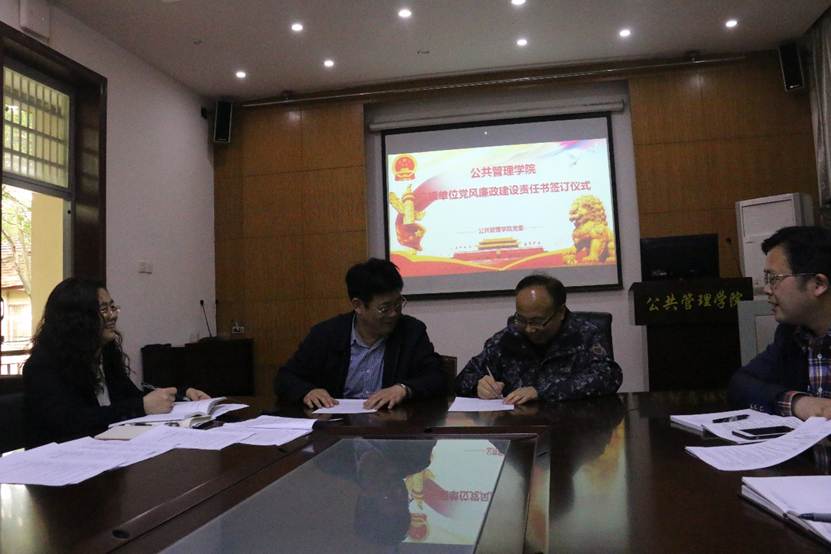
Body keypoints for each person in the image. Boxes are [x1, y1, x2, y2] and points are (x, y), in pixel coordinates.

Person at [24, 277, 209, 446]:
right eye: (104, 309)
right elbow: (71, 421)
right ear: (76, 319)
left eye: (113, 307)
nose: (113, 315)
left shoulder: (104, 354)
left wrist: (181, 395)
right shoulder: (42, 366)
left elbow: (131, 397)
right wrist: (140, 406)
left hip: (107, 450)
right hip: (64, 460)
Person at [276, 258, 446, 409]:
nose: (394, 313)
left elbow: (437, 376)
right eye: (384, 308)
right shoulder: (326, 334)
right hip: (336, 425)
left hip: (392, 425)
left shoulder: (411, 331)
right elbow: (286, 377)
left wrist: (403, 389)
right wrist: (308, 391)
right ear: (358, 305)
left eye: (398, 304)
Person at [455, 274, 622, 405]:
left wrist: (542, 391)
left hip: (575, 428)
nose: (529, 329)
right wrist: (479, 386)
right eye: (521, 319)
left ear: (560, 312)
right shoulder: (507, 338)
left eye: (537, 321)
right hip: (520, 429)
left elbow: (608, 377)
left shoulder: (585, 334)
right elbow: (463, 379)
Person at [728, 225, 831, 419]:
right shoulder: (792, 333)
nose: (767, 289)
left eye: (774, 278)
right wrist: (798, 403)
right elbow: (740, 385)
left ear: (818, 284)